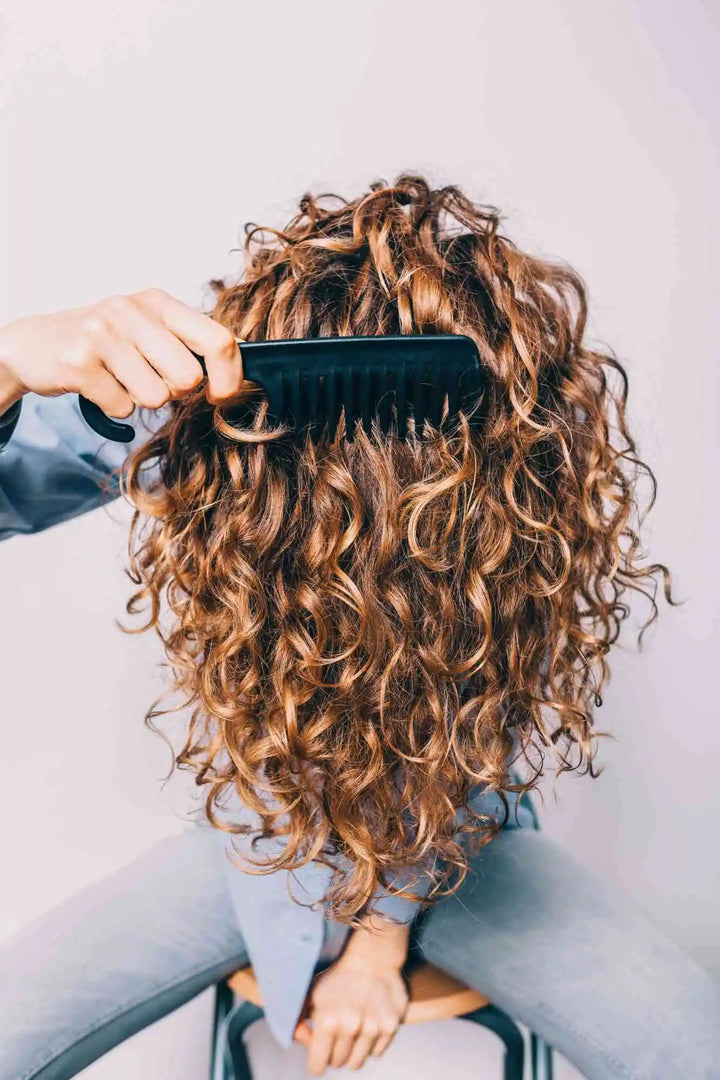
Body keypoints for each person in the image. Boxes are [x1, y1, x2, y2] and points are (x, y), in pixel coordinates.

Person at [0, 174, 718, 1080]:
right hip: (266, 847)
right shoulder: (210, 431)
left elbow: (462, 751)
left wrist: (377, 951)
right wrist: (12, 362)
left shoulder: (506, 519)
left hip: (456, 848)